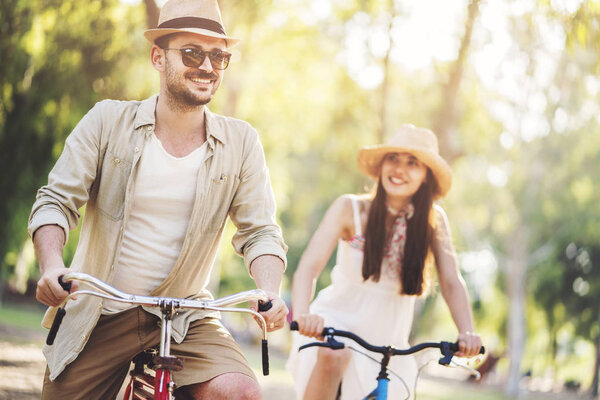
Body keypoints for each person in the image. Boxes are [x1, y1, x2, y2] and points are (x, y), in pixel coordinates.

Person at [28, 0, 288, 399]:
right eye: (192, 53)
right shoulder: (106, 120)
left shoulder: (242, 142)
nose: (207, 66)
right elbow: (56, 201)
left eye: (218, 56)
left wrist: (268, 291)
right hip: (102, 310)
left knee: (240, 391)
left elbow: (261, 232)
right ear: (157, 57)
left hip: (187, 313)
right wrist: (51, 267)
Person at [286, 124, 482, 400]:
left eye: (413, 162)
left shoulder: (433, 223)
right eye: (393, 158)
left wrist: (467, 332)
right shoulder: (350, 209)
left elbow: (451, 282)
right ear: (381, 166)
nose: (400, 169)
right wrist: (304, 315)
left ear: (426, 175)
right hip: (335, 325)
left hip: (389, 341)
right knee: (334, 353)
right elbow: (308, 267)